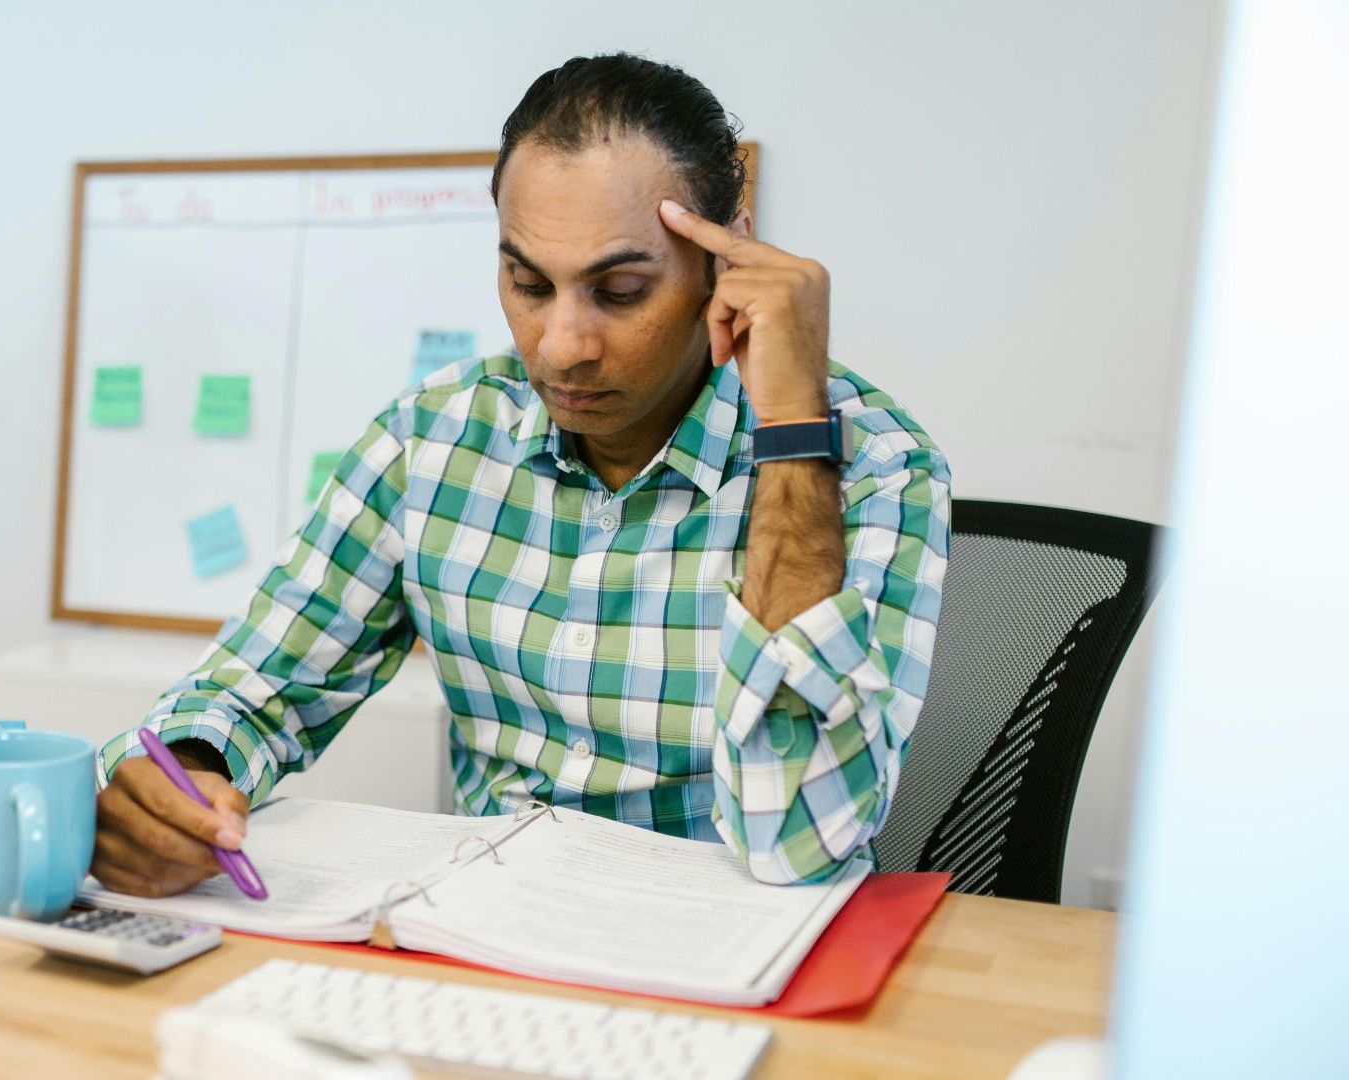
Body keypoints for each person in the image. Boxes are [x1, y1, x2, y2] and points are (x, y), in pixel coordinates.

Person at [92, 53, 950, 897]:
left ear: (726, 262)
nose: (561, 346)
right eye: (528, 282)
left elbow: (798, 841)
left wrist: (793, 435)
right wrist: (184, 777)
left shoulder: (875, 466)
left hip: (732, 962)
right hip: (483, 939)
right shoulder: (433, 438)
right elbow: (254, 686)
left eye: (619, 291)